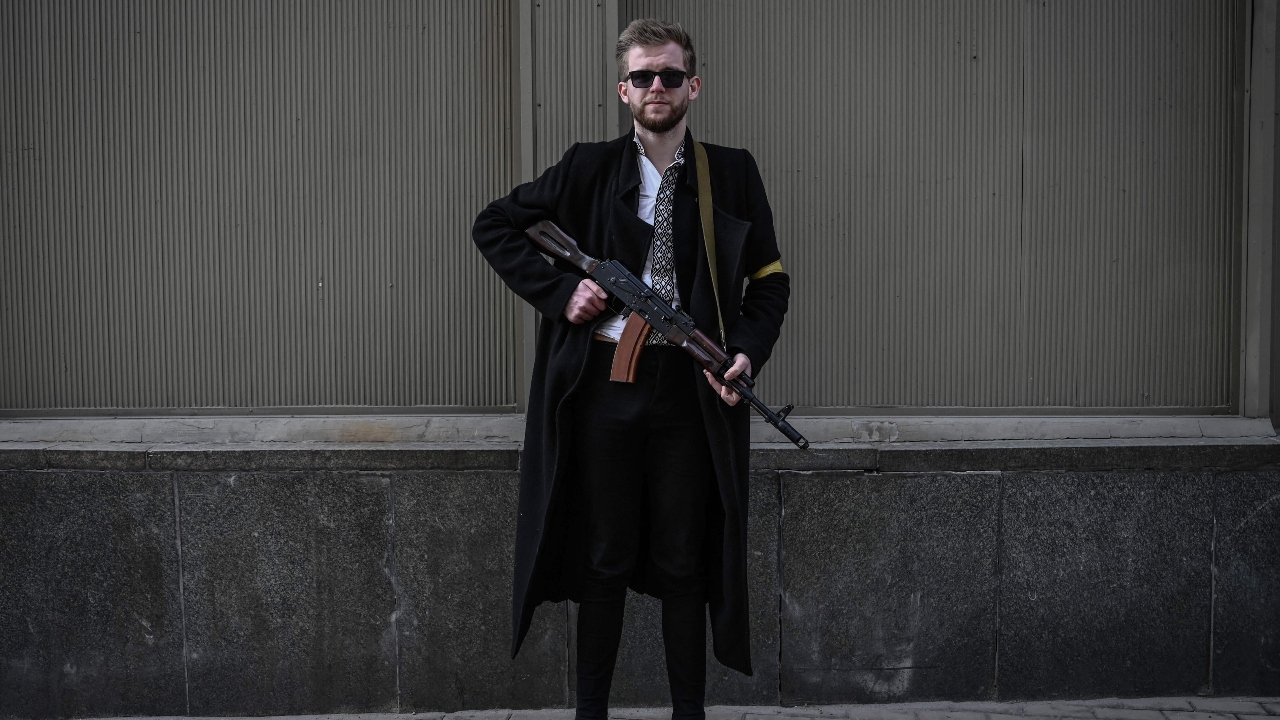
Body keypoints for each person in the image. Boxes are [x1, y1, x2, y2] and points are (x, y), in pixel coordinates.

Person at [472, 18, 790, 720]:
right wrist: (561, 292)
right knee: (604, 558)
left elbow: (768, 281)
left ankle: (688, 714)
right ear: (623, 90)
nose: (657, 87)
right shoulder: (587, 167)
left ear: (693, 86)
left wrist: (742, 350)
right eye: (643, 76)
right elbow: (494, 223)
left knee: (683, 561)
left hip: (689, 395)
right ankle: (591, 714)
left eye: (670, 76)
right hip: (602, 390)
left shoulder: (730, 172)